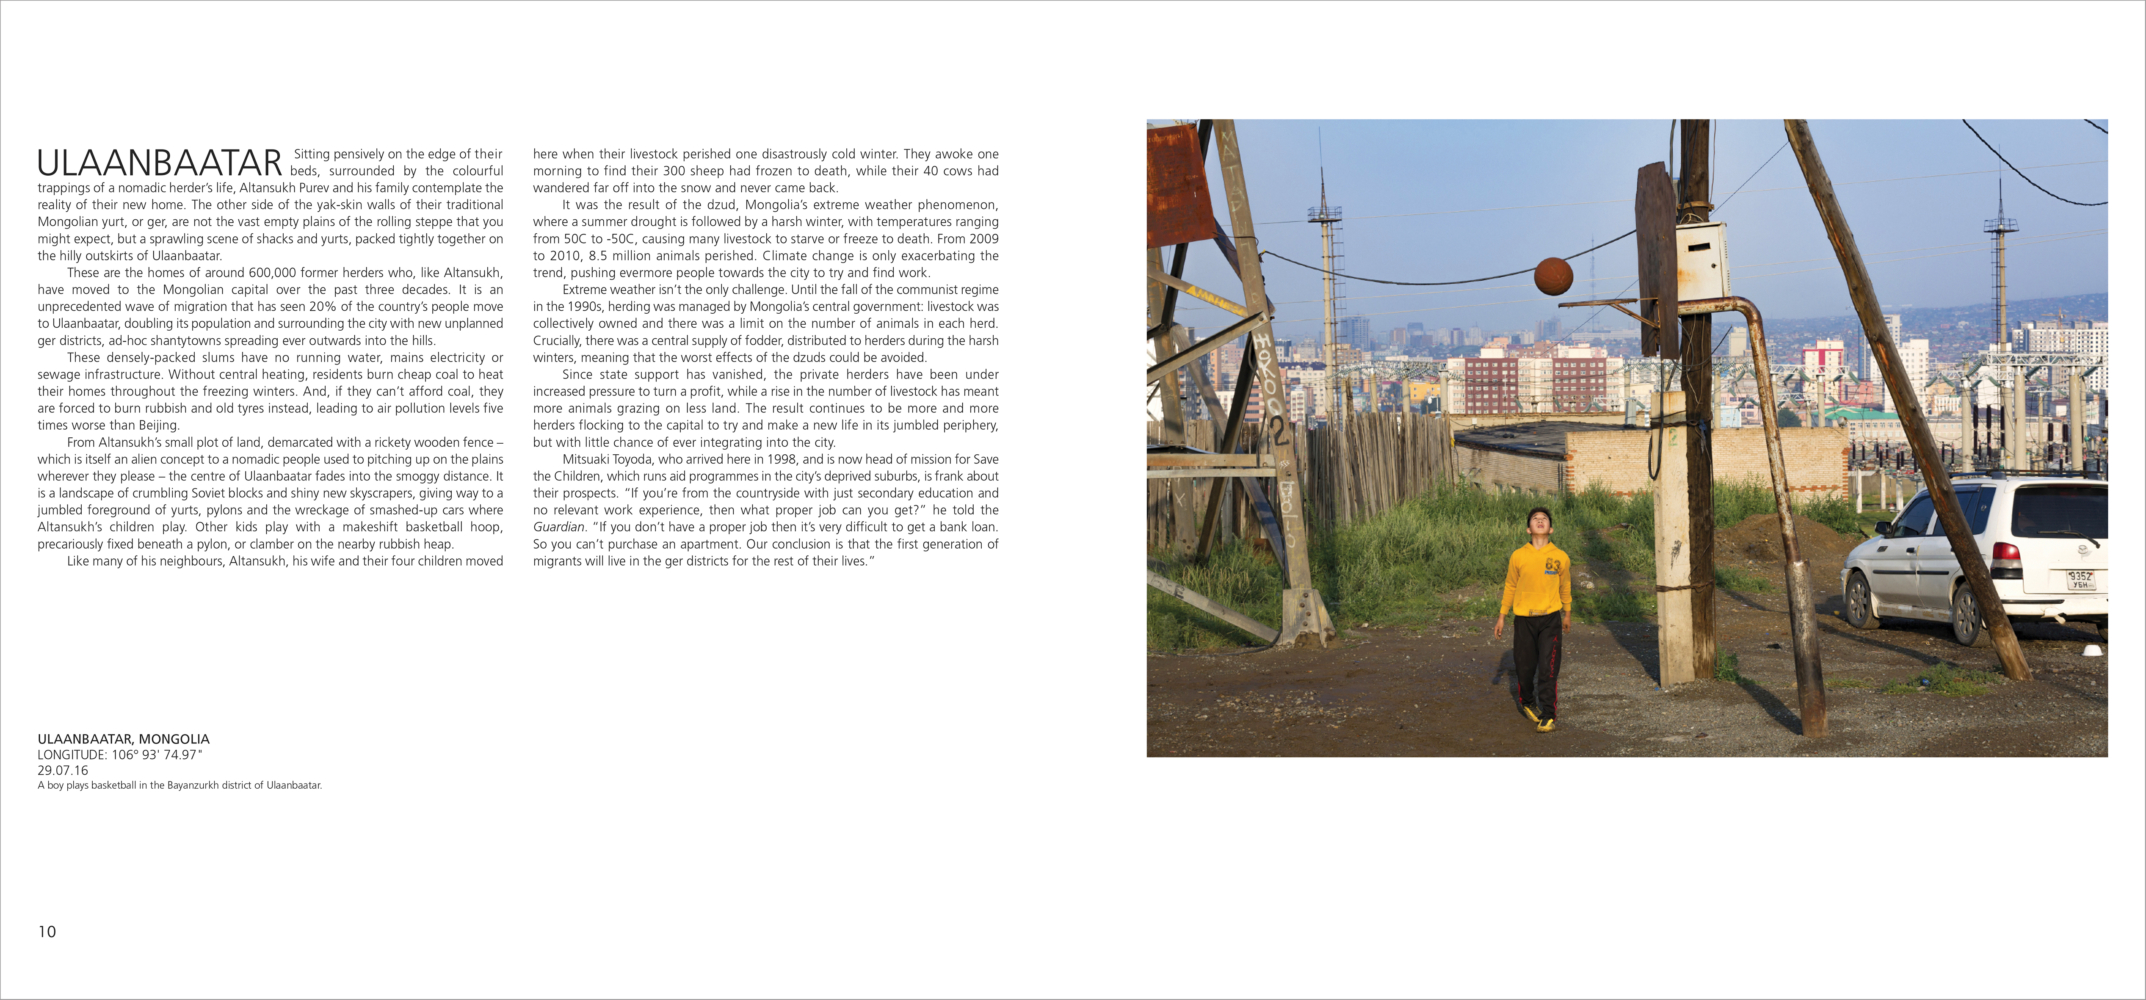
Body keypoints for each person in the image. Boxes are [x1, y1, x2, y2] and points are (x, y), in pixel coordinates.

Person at [1493, 506, 1573, 733]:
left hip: (1550, 620)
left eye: (1544, 519)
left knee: (1548, 668)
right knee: (1525, 668)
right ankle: (1527, 702)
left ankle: (1548, 714)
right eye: (1535, 519)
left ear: (1551, 528)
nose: (1540, 520)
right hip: (1523, 620)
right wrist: (1501, 617)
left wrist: (1567, 613)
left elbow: (1565, 586)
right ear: (1528, 529)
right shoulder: (1518, 556)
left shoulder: (1560, 557)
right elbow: (1510, 585)